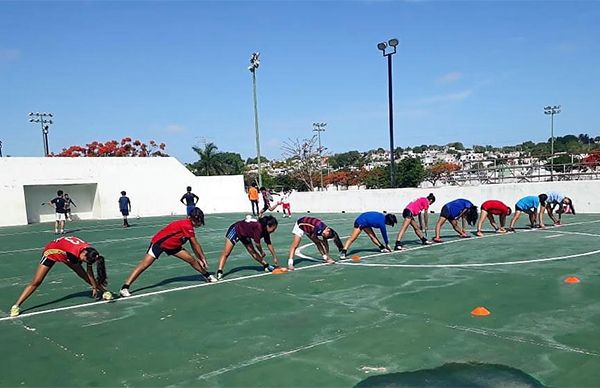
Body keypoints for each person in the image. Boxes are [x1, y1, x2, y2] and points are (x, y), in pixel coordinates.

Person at [119, 207, 216, 297]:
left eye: (198, 219)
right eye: (196, 219)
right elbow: (195, 244)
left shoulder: (188, 225)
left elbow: (193, 245)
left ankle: (207, 276)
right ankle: (125, 287)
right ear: (190, 218)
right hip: (159, 244)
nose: (197, 222)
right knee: (144, 265)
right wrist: (202, 258)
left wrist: (200, 258)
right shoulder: (187, 225)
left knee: (191, 260)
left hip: (174, 246)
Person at [9, 236, 108, 317]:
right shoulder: (73, 254)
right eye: (84, 260)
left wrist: (94, 287)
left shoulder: (90, 252)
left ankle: (104, 291)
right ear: (84, 253)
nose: (84, 262)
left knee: (84, 275)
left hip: (65, 251)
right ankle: (16, 305)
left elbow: (89, 271)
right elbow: (85, 272)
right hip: (51, 252)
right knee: (37, 281)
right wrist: (93, 286)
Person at [216, 215, 279, 280]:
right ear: (268, 225)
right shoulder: (259, 227)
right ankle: (220, 271)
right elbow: (257, 243)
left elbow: (269, 244)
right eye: (273, 229)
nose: (273, 231)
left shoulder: (266, 231)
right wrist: (261, 252)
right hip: (236, 230)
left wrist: (274, 257)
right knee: (226, 252)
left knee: (252, 251)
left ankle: (266, 265)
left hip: (245, 235)